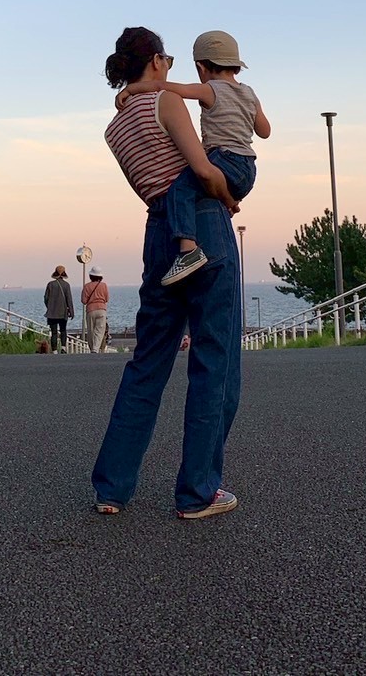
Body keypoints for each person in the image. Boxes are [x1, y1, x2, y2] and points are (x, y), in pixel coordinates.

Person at [93, 26, 242, 520]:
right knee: (214, 359)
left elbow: (152, 184)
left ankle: (112, 488)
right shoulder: (167, 102)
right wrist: (229, 198)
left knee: (148, 362)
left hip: (158, 234)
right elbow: (203, 170)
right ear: (156, 61)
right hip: (204, 226)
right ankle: (198, 492)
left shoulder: (115, 128)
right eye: (168, 61)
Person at [119, 29, 270, 286]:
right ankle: (228, 203)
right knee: (199, 187)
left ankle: (188, 249)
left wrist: (133, 89)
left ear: (201, 67)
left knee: (181, 189)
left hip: (223, 159)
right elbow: (264, 131)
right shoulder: (249, 93)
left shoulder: (209, 89)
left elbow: (166, 87)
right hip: (247, 169)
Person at [44, 265, 75, 352]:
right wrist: (71, 312)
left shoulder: (50, 284)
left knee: (54, 332)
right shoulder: (66, 285)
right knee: (63, 330)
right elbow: (69, 299)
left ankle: (54, 350)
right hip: (63, 312)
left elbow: (46, 298)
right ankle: (63, 348)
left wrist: (49, 307)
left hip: (52, 313)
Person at [82, 267, 110, 353]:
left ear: (91, 276)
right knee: (100, 330)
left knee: (90, 330)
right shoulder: (104, 285)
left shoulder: (86, 286)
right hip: (102, 309)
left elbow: (84, 301)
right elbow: (107, 299)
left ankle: (92, 348)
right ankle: (95, 348)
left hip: (90, 310)